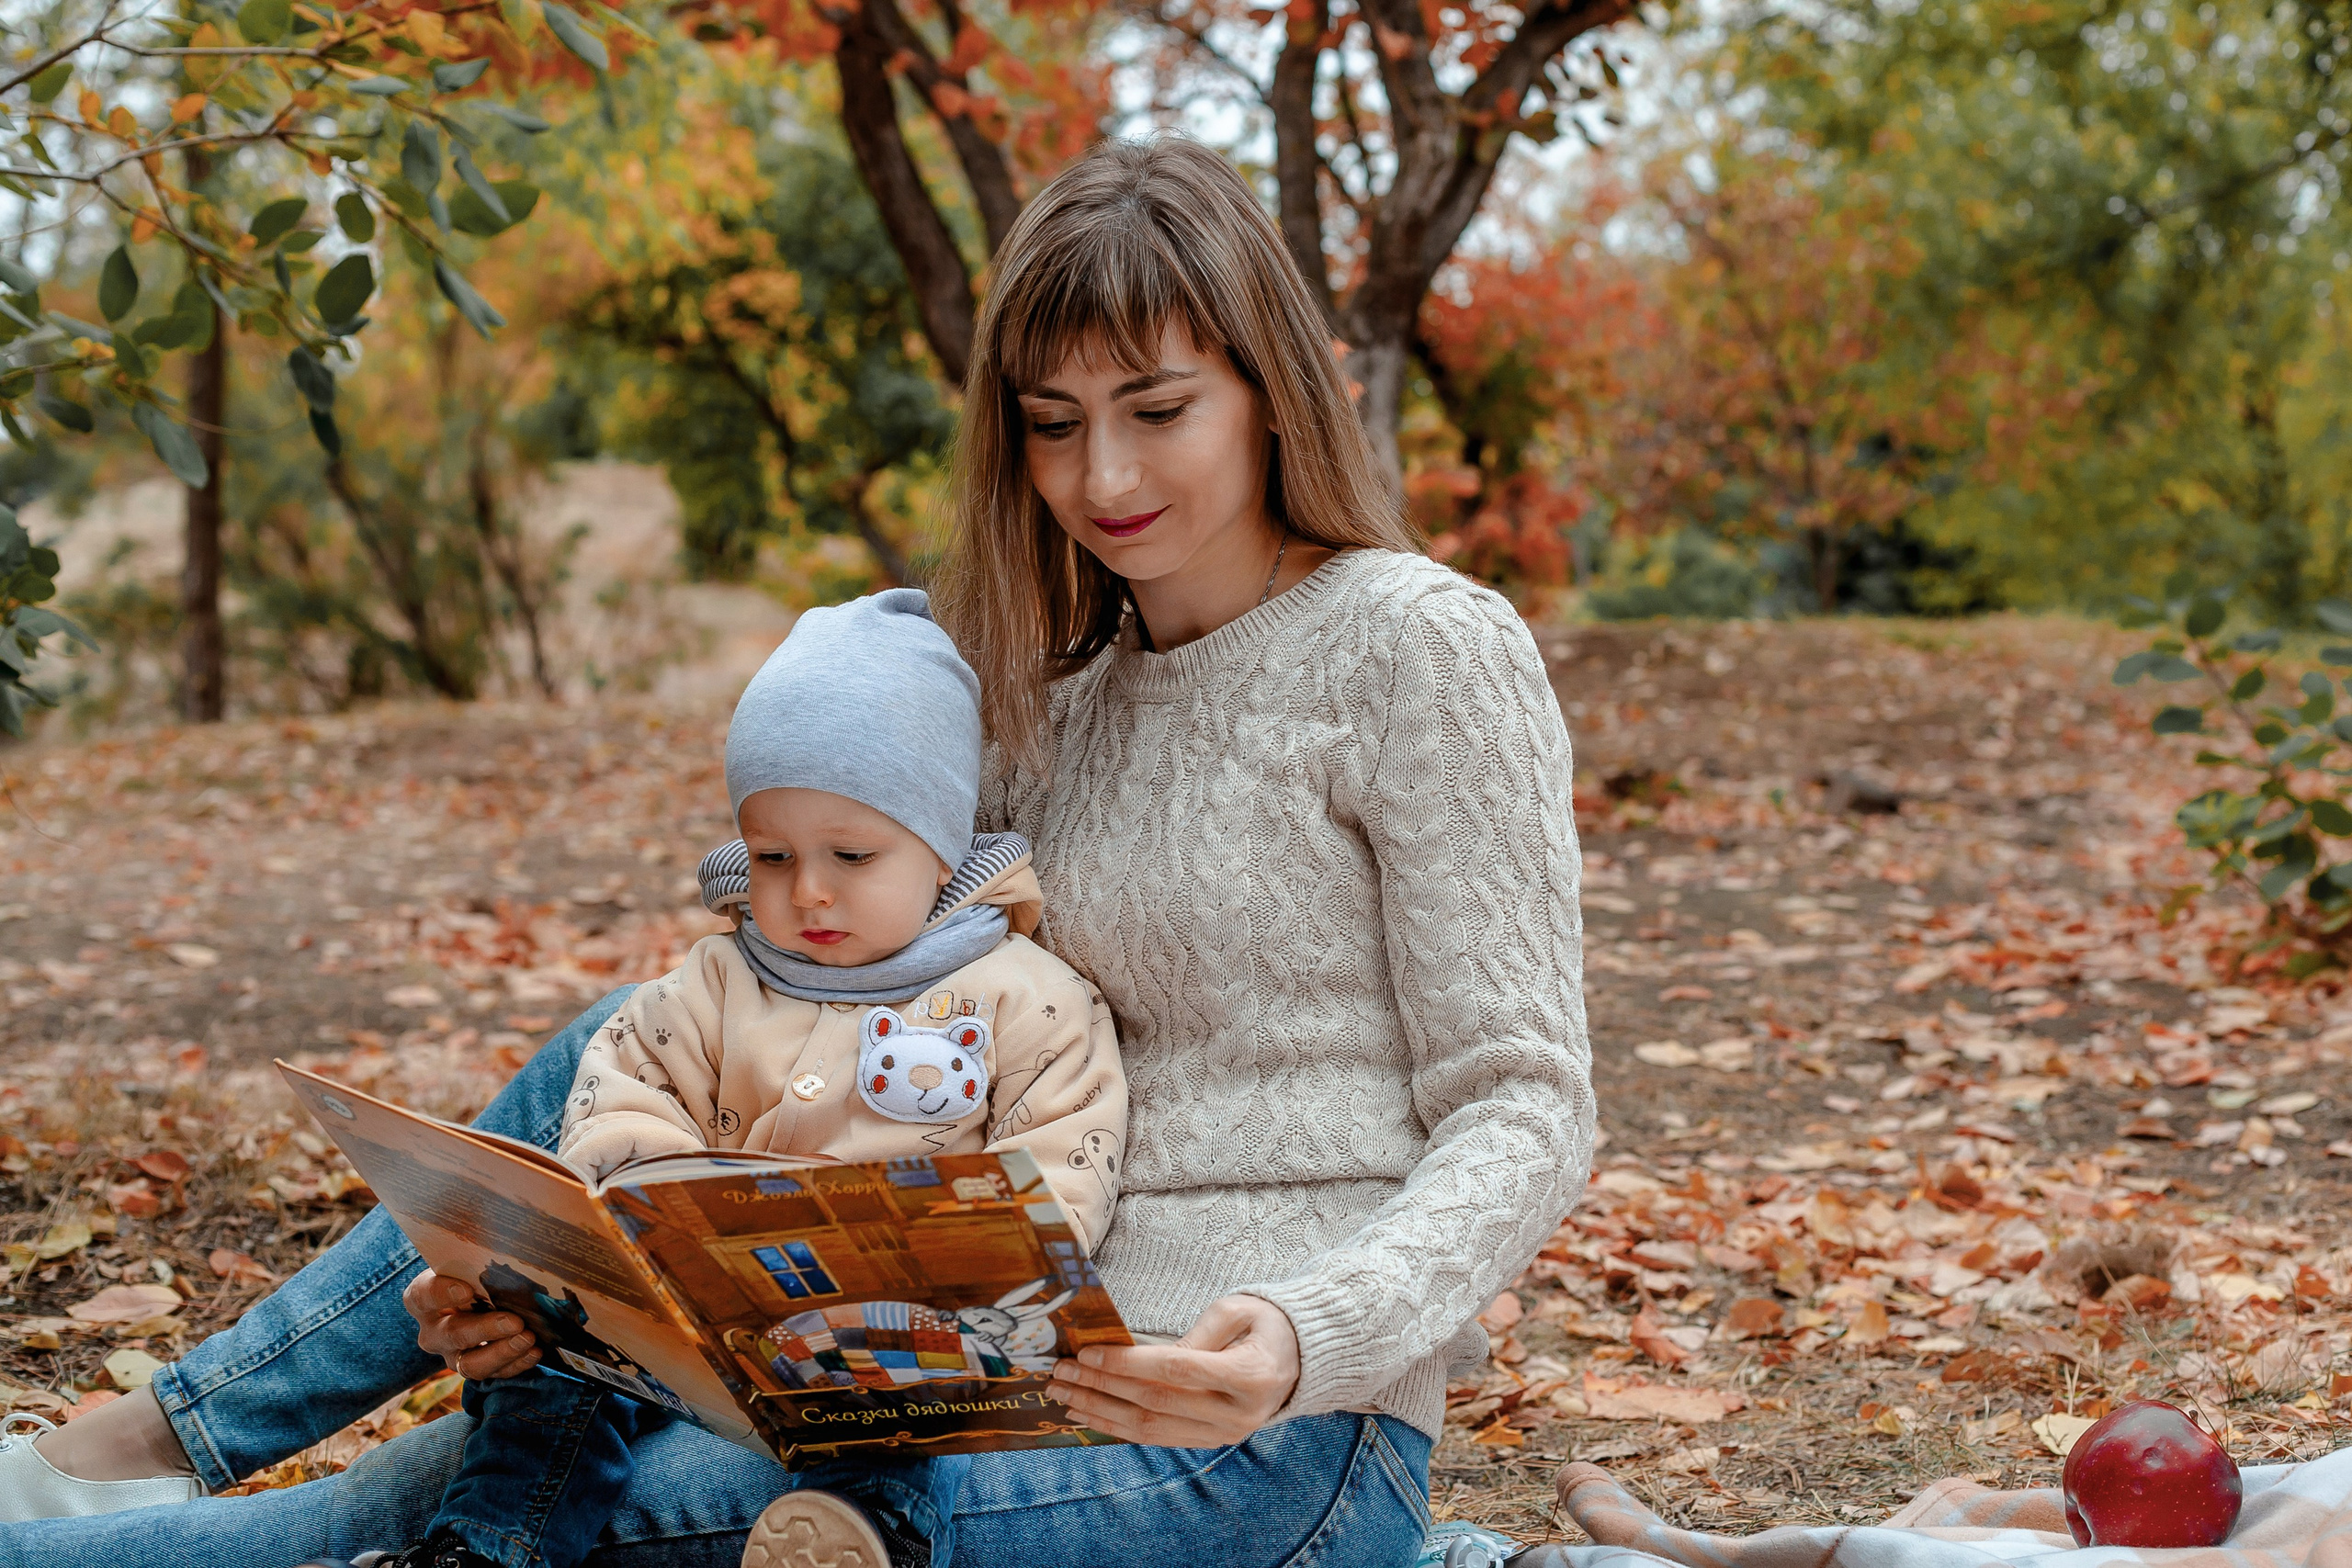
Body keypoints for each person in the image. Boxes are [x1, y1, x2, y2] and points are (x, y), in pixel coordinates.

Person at [0, 133, 1593, 1568]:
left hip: (1264, 1442)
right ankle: (167, 1440)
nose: (1103, 479)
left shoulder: (1419, 648)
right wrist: (567, 1292)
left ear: (1267, 391)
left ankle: (114, 1484)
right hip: (954, 1356)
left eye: (1158, 411)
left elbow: (1527, 1106)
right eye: (1054, 426)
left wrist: (1310, 1338)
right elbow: (888, 1020)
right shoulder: (1051, 699)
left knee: (537, 1510)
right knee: (599, 1141)